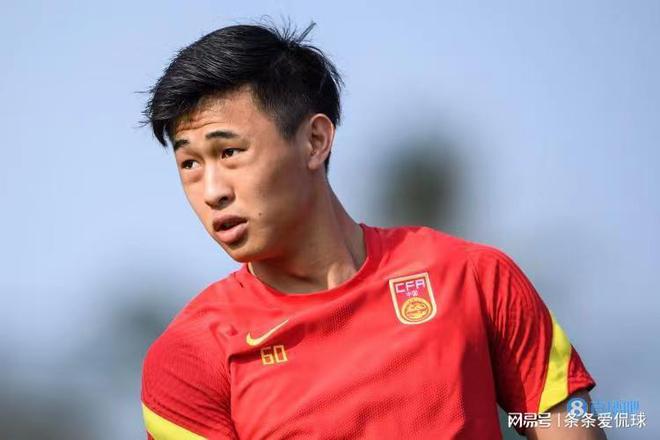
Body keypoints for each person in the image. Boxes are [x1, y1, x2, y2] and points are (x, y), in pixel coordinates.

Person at [140, 22, 605, 439]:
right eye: (190, 164)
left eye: (229, 153)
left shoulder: (477, 278)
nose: (212, 191)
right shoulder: (187, 361)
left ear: (315, 141)